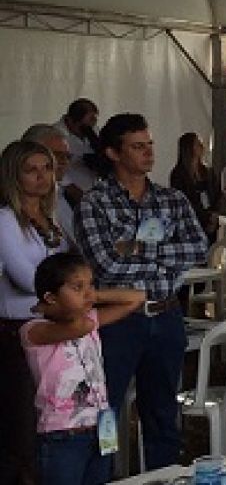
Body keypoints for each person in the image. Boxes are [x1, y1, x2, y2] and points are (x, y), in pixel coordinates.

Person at [75, 113, 207, 469]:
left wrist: (136, 248)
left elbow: (198, 248)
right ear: (113, 153)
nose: (149, 153)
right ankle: (99, 477)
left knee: (163, 411)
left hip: (166, 315)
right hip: (119, 321)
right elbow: (106, 266)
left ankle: (162, 476)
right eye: (137, 146)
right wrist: (166, 257)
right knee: (106, 410)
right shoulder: (95, 202)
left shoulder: (172, 199)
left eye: (149, 145)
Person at [21, 253, 144, 485]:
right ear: (50, 297)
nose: (88, 293)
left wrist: (92, 295)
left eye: (90, 285)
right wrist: (83, 305)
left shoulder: (88, 316)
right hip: (62, 436)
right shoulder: (33, 330)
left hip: (100, 429)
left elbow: (136, 298)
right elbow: (81, 327)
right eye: (77, 287)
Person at [0, 140, 72, 485]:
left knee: (51, 418)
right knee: (22, 425)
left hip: (50, 325)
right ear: (14, 176)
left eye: (47, 168)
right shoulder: (4, 219)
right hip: (15, 330)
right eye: (31, 170)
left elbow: (68, 270)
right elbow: (28, 278)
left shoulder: (50, 218)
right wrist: (70, 286)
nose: (42, 177)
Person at [21, 123, 77, 245]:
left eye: (68, 156)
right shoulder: (7, 211)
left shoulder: (62, 195)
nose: (64, 162)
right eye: (56, 155)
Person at [168, 132, 221, 244]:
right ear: (189, 148)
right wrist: (204, 217)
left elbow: (218, 194)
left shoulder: (208, 171)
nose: (202, 146)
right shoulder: (178, 174)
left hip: (212, 221)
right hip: (191, 223)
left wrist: (214, 215)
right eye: (197, 143)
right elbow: (182, 200)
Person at [53, 99, 101, 206]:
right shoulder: (54, 134)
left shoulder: (93, 129)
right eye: (82, 128)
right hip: (65, 195)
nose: (88, 131)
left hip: (89, 188)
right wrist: (70, 187)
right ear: (70, 120)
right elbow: (52, 165)